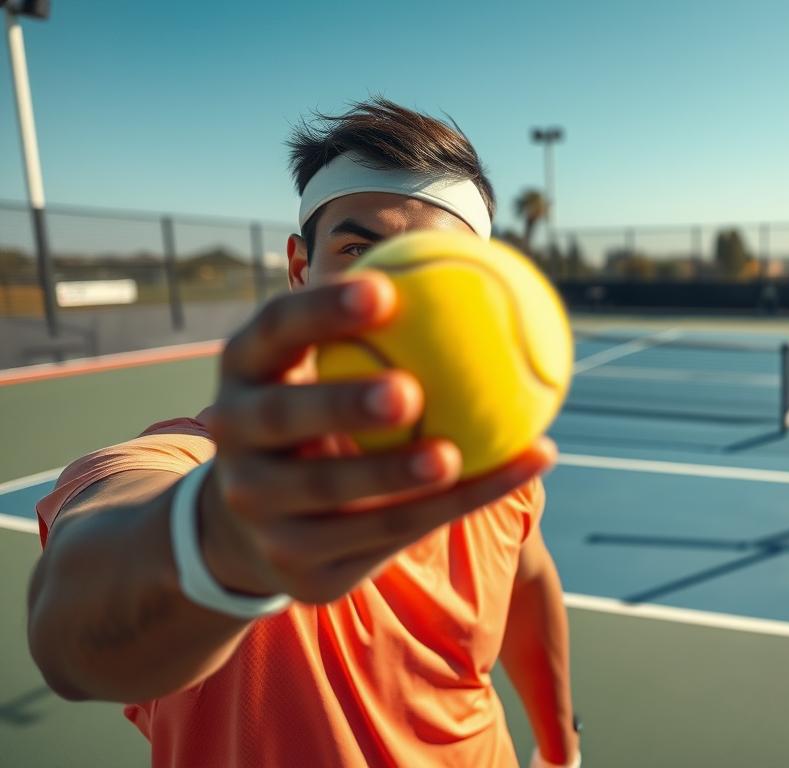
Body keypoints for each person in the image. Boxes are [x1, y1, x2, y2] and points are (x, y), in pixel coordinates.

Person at [26, 99, 581, 768]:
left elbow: (527, 583)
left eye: (437, 266)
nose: (396, 294)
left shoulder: (493, 478)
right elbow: (73, 634)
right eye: (358, 251)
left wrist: (559, 748)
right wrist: (216, 546)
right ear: (300, 270)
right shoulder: (198, 467)